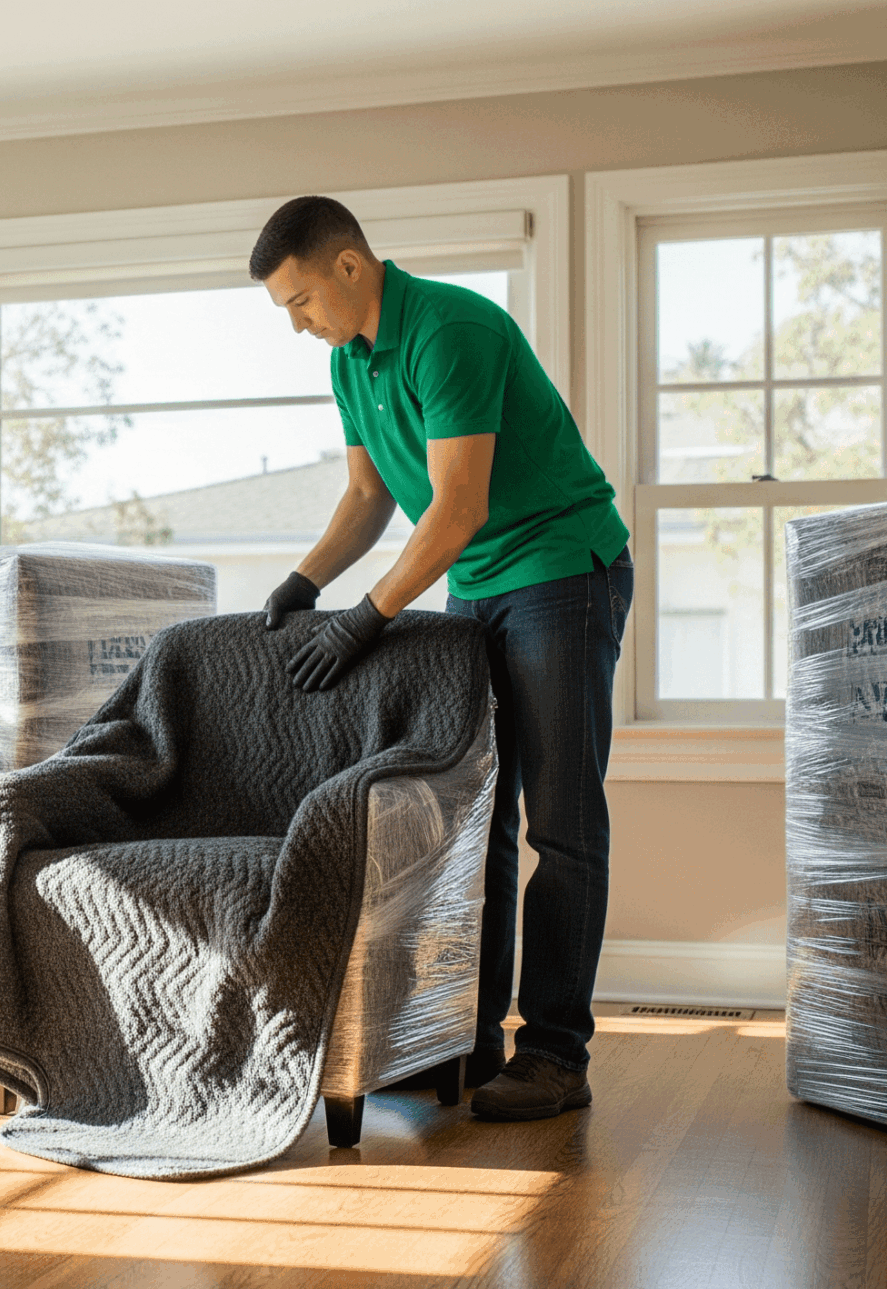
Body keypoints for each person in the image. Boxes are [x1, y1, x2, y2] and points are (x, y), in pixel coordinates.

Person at [251, 196, 633, 1123]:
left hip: (556, 572)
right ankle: (466, 1036)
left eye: (301, 301)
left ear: (349, 267)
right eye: (286, 312)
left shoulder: (450, 329)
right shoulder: (351, 362)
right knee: (478, 818)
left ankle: (554, 1052)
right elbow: (368, 494)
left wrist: (365, 620)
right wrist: (305, 582)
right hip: (475, 583)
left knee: (563, 821)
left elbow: (455, 508)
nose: (300, 325)